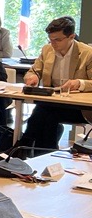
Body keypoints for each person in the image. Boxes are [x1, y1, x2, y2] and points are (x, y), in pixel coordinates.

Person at [15, 16, 92, 154]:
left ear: (71, 37)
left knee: (45, 113)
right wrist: (33, 77)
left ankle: (25, 146)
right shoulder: (47, 50)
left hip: (79, 108)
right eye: (50, 39)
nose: (53, 44)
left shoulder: (87, 53)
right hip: (53, 101)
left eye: (58, 40)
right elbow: (33, 71)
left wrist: (79, 83)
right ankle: (42, 154)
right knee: (46, 112)